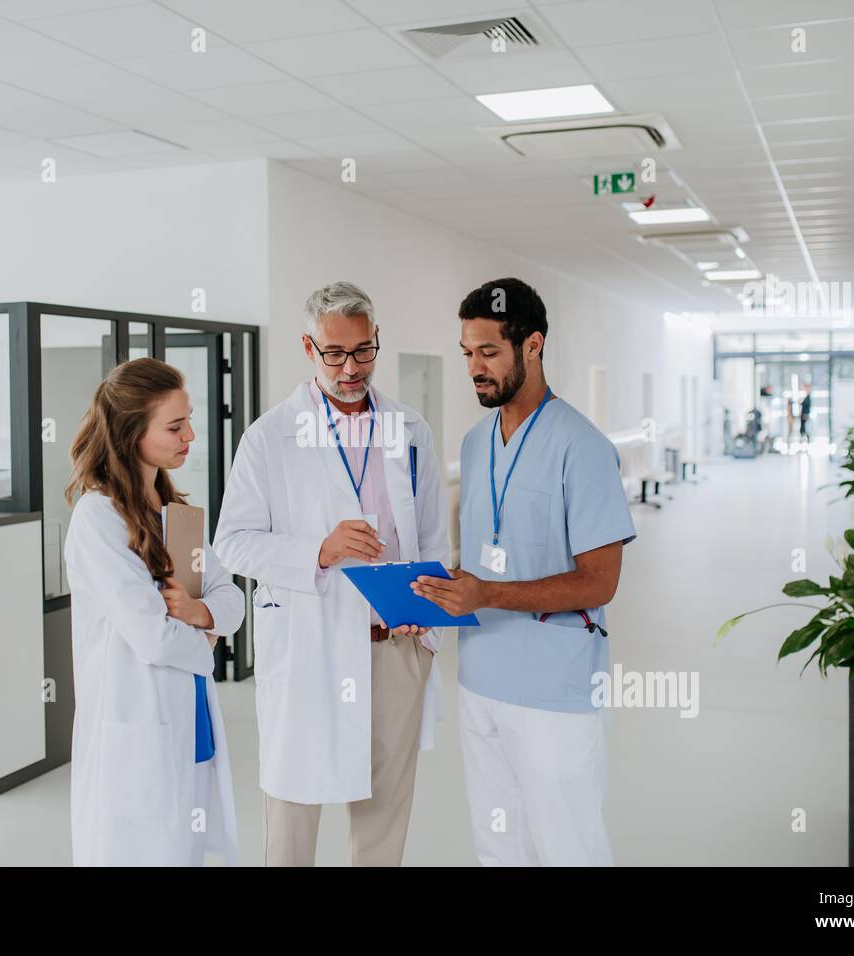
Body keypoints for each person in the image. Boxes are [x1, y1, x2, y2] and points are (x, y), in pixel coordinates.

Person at [213, 281, 449, 866]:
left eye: (363, 351)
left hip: (395, 648)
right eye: (335, 353)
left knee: (385, 814)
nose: (351, 368)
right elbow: (232, 544)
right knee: (293, 809)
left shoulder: (410, 430)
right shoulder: (269, 437)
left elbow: (437, 538)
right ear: (307, 346)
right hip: (310, 649)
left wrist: (425, 624)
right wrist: (317, 550)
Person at [411, 277, 636, 866]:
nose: (474, 369)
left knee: (567, 847)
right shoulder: (476, 441)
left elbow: (599, 581)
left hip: (553, 691)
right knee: (499, 847)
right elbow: (490, 556)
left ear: (532, 346)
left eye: (488, 352)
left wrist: (489, 591)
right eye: (467, 353)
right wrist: (443, 589)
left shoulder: (583, 447)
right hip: (481, 680)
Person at [64, 358, 244, 866]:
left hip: (189, 719)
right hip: (136, 724)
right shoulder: (97, 518)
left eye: (189, 420)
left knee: (183, 851)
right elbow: (153, 638)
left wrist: (201, 613)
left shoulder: (176, 513)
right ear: (130, 433)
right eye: (174, 425)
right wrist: (207, 637)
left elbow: (233, 599)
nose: (190, 434)